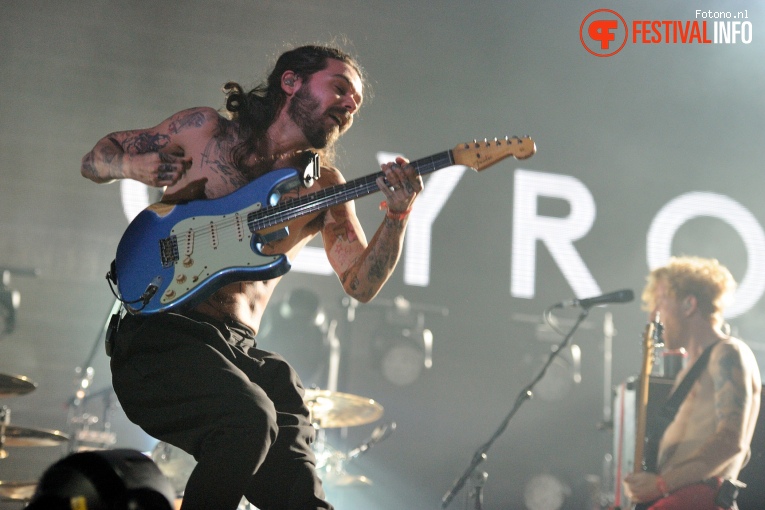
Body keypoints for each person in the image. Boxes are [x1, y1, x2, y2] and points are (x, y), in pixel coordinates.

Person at [80, 45, 423, 510]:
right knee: (250, 418)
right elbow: (98, 157)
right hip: (158, 338)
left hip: (234, 349)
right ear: (290, 82)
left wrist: (398, 216)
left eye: (356, 103)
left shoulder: (323, 187)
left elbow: (361, 285)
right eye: (339, 88)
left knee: (295, 464)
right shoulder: (203, 132)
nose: (349, 105)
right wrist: (130, 165)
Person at [623, 256, 761, 509]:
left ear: (689, 304)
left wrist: (662, 484)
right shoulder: (691, 369)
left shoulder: (728, 353)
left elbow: (731, 441)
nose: (654, 314)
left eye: (661, 301)